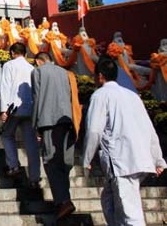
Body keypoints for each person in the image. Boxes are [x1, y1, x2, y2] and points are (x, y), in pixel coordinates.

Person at [83, 58, 166, 226]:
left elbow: (94, 130)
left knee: (131, 214)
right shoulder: (132, 96)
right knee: (109, 201)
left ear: (100, 76)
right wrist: (157, 158)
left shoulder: (100, 95)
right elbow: (149, 129)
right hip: (137, 157)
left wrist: (87, 158)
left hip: (121, 161)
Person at [32, 52, 80, 219]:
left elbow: (37, 97)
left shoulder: (38, 72)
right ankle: (64, 199)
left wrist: (35, 124)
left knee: (51, 161)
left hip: (48, 120)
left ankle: (63, 201)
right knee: (63, 161)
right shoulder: (65, 72)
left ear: (39, 61)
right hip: (67, 119)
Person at [0, 42, 41, 184]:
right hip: (30, 108)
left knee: (6, 134)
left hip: (14, 107)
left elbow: (5, 86)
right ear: (25, 53)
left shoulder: (9, 66)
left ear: (12, 53)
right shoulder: (31, 68)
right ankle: (35, 177)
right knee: (31, 144)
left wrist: (3, 109)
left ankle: (13, 165)